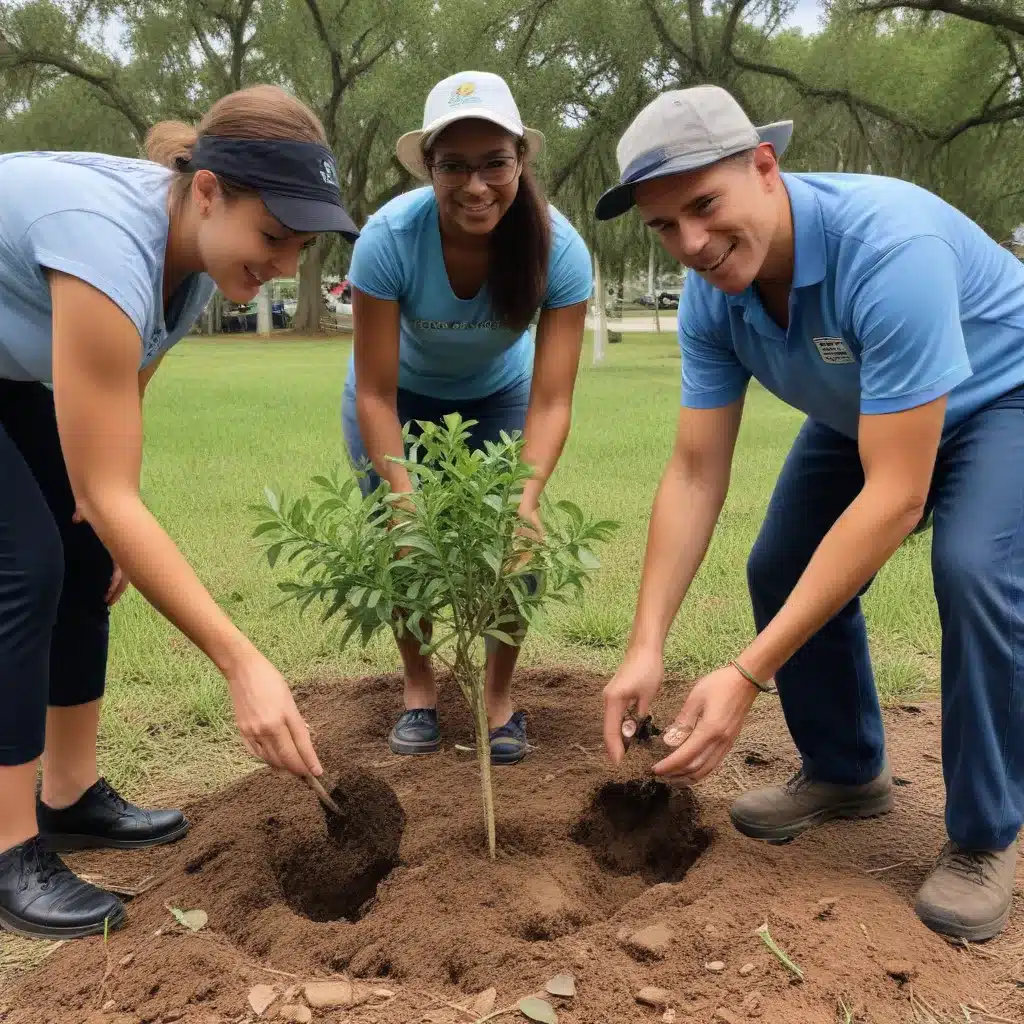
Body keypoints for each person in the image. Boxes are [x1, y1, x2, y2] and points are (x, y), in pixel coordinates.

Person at [597, 84, 1023, 943]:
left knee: (973, 569)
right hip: (872, 407)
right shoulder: (714, 295)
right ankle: (844, 770)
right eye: (663, 227)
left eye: (705, 206)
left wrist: (748, 673)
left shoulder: (889, 249)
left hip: (1000, 398)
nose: (692, 243)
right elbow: (692, 472)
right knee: (779, 563)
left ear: (765, 167)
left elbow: (898, 497)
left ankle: (984, 836)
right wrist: (647, 645)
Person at [0, 84, 360, 941]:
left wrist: (115, 509)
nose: (281, 265)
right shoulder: (104, 246)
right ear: (206, 192)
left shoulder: (192, 263)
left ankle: (71, 795)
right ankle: (7, 849)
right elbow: (100, 484)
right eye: (272, 237)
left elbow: (122, 398)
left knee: (88, 553)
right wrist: (242, 663)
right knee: (26, 566)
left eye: (299, 249)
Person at [342, 70, 593, 765]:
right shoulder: (389, 239)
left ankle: (498, 698)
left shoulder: (561, 250)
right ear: (429, 168)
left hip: (499, 400)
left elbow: (553, 400)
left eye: (494, 164)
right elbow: (375, 394)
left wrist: (526, 499)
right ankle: (419, 690)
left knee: (519, 547)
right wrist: (403, 503)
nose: (476, 186)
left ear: (521, 162)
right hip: (397, 398)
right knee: (404, 547)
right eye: (454, 165)